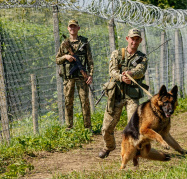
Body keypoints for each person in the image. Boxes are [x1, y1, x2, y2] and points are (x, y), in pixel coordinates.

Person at [98, 28, 148, 159]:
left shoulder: (142, 57)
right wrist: (121, 77)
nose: (134, 41)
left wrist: (130, 74)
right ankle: (108, 146)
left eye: (137, 39)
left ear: (140, 41)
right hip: (116, 95)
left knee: (133, 126)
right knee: (106, 128)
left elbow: (140, 71)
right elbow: (112, 70)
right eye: (132, 39)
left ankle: (132, 150)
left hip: (132, 96)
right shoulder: (117, 54)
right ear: (127, 39)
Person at [56, 19, 94, 130]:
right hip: (68, 78)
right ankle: (69, 127)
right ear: (68, 28)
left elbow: (90, 61)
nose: (72, 28)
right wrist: (65, 57)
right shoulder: (64, 44)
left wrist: (90, 74)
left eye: (74, 26)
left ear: (78, 28)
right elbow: (57, 59)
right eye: (70, 27)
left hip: (82, 77)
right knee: (68, 102)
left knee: (85, 102)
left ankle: (88, 127)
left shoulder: (84, 42)